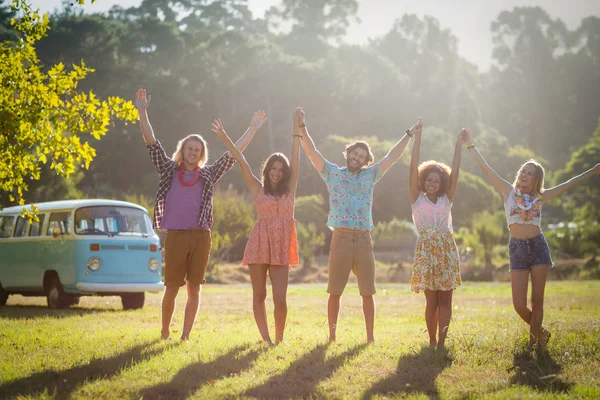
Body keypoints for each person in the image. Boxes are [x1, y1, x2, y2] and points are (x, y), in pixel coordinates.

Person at [135, 88, 266, 341]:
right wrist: (142, 111)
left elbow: (233, 155)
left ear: (201, 153)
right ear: (182, 151)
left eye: (197, 149)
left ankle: (185, 336)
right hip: (176, 236)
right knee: (172, 287)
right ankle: (164, 333)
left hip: (201, 236)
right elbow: (152, 143)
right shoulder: (169, 170)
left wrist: (253, 128)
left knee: (194, 288)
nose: (192, 152)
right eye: (188, 149)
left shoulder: (208, 175)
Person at [296, 108, 423, 343]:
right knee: (335, 291)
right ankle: (332, 337)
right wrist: (302, 127)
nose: (357, 158)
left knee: (368, 291)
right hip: (341, 238)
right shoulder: (332, 173)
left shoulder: (370, 175)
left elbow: (392, 157)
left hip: (364, 239)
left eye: (362, 156)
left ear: (366, 161)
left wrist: (409, 135)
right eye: (354, 153)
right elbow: (312, 152)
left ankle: (370, 338)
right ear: (348, 154)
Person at [464, 131, 600, 346]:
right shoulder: (508, 191)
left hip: (538, 247)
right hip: (517, 248)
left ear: (537, 179)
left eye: (530, 173)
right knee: (519, 304)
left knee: (537, 300)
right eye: (523, 171)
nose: (525, 175)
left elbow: (568, 184)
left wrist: (592, 172)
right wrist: (470, 145)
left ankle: (534, 342)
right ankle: (541, 333)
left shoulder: (540, 197)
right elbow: (487, 170)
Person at [210, 109, 301, 344]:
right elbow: (240, 159)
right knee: (259, 294)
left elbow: (295, 153)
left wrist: (296, 127)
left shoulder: (291, 189)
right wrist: (224, 137)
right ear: (267, 170)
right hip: (260, 243)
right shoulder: (256, 188)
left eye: (281, 170)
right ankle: (266, 339)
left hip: (281, 246)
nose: (277, 173)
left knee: (280, 299)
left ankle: (279, 338)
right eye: (273, 168)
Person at [409, 126, 469, 349]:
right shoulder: (416, 198)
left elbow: (456, 170)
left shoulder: (447, 199)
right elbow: (413, 168)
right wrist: (418, 139)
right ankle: (432, 341)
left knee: (445, 300)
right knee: (431, 301)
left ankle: (442, 342)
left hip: (446, 250)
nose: (432, 183)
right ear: (423, 180)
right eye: (428, 180)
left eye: (437, 180)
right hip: (426, 251)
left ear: (442, 183)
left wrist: (458, 145)